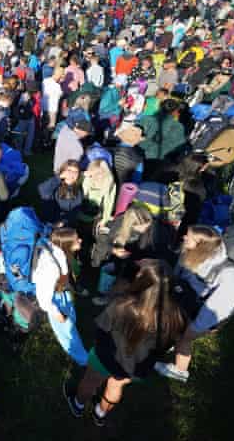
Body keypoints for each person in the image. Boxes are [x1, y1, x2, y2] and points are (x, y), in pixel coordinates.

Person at [67, 259, 186, 425]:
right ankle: (100, 414)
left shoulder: (122, 304)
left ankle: (78, 404)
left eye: (139, 273)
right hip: (136, 367)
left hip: (106, 357)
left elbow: (102, 330)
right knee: (116, 386)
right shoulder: (177, 317)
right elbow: (166, 347)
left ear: (143, 281)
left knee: (91, 380)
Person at [155, 226, 234, 383]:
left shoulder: (228, 274)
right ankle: (172, 340)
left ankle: (180, 371)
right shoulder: (191, 253)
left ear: (200, 246)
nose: (183, 237)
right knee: (177, 328)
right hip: (192, 301)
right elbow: (181, 273)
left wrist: (195, 328)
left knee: (185, 338)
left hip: (207, 314)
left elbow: (217, 309)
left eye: (188, 237)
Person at [33, 227, 89, 367]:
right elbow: (43, 298)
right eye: (76, 240)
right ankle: (83, 360)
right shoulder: (51, 267)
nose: (80, 240)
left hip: (60, 292)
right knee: (68, 332)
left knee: (70, 320)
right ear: (66, 245)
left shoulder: (58, 252)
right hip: (54, 302)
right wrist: (56, 313)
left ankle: (71, 325)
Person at [38, 159, 85, 225]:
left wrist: (64, 221)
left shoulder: (78, 190)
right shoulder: (55, 184)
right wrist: (59, 177)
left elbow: (75, 210)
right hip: (47, 220)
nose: (72, 174)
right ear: (63, 171)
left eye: (75, 172)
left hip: (64, 223)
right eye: (69, 170)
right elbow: (42, 189)